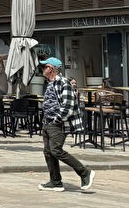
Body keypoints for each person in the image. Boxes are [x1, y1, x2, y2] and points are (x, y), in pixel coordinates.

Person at [38, 57, 93, 192]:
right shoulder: (50, 83)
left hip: (58, 124)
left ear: (51, 69)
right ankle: (55, 182)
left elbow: (68, 105)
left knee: (56, 150)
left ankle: (85, 172)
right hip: (48, 123)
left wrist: (57, 119)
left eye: (44, 67)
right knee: (48, 152)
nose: (43, 69)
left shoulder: (63, 82)